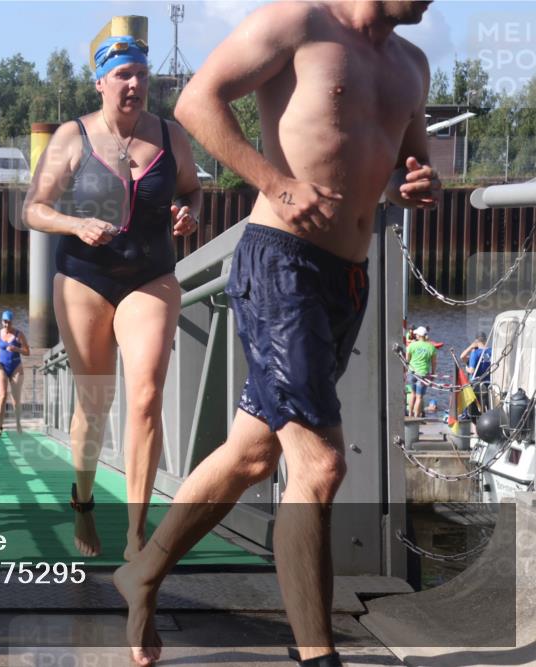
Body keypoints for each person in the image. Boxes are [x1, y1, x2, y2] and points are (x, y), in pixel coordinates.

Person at [112, 3, 441, 666]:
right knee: (320, 463)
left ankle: (142, 571)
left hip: (346, 282)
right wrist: (275, 183)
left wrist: (421, 181)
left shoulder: (412, 65)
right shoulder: (299, 22)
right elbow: (196, 101)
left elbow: (415, 161)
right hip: (281, 263)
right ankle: (318, 655)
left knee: (253, 453)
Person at [23, 32, 202, 560]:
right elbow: (35, 208)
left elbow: (192, 187)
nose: (135, 85)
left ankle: (136, 534)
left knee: (145, 396)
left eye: (142, 75)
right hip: (84, 279)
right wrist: (76, 224)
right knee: (94, 403)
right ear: (101, 82)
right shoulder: (73, 137)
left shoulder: (170, 136)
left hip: (151, 276)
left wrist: (191, 211)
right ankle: (83, 503)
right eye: (124, 75)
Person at [0, 310, 31, 435]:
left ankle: (18, 424)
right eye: (4, 322)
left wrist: (16, 348)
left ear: (12, 322)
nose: (6, 325)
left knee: (16, 399)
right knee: (2, 396)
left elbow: (27, 351)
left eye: (9, 322)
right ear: (1, 321)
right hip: (2, 367)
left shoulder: (19, 334)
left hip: (16, 367)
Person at [407, 326, 437, 418]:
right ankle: (416, 416)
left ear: (419, 335)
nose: (415, 335)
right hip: (423, 374)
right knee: (419, 397)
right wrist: (433, 373)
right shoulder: (431, 347)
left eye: (416, 334)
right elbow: (434, 363)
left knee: (413, 394)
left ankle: (410, 414)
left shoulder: (411, 345)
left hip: (412, 373)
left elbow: (407, 360)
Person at [460, 331, 491, 410]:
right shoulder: (491, 351)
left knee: (475, 410)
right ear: (485, 340)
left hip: (477, 384)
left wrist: (471, 347)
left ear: (476, 341)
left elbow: (471, 370)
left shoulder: (475, 353)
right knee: (488, 406)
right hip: (489, 383)